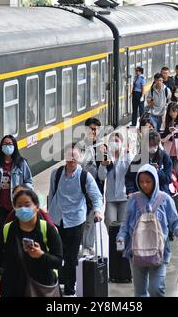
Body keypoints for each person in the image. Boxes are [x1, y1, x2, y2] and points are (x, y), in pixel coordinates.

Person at [0, 189, 63, 297]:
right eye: (19, 205)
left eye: (27, 205)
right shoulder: (7, 229)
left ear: (36, 207)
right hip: (12, 289)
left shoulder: (47, 229)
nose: (23, 209)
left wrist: (41, 255)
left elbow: (58, 261)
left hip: (40, 288)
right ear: (15, 208)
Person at [117, 164, 178, 297]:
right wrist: (121, 237)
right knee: (140, 291)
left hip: (159, 252)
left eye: (148, 181)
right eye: (141, 182)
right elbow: (126, 223)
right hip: (136, 252)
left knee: (157, 288)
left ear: (155, 180)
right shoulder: (133, 200)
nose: (144, 185)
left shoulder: (165, 199)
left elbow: (175, 220)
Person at [48, 143, 103, 296]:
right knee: (59, 256)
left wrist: (97, 211)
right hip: (57, 220)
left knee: (71, 258)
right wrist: (48, 217)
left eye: (75, 155)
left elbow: (96, 196)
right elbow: (52, 196)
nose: (71, 158)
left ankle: (70, 288)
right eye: (69, 155)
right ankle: (61, 282)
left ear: (79, 157)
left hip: (76, 221)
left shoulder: (85, 176)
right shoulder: (56, 174)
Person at [0, 135, 33, 247]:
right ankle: (1, 257)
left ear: (15, 146)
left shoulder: (21, 163)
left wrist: (25, 193)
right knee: (0, 233)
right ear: (1, 147)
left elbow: (28, 181)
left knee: (16, 232)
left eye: (10, 144)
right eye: (5, 144)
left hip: (16, 205)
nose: (7, 146)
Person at [80, 117, 105, 256]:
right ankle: (83, 244)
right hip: (81, 189)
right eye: (91, 129)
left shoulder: (102, 148)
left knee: (91, 219)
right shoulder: (80, 146)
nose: (93, 131)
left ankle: (88, 246)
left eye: (96, 129)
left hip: (96, 189)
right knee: (82, 218)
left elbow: (103, 176)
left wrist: (104, 165)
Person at [99, 132, 132, 228]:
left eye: (116, 141)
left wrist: (128, 155)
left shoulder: (126, 156)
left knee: (124, 224)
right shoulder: (107, 157)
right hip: (111, 197)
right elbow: (101, 177)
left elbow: (132, 172)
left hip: (124, 196)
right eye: (112, 141)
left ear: (122, 142)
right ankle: (113, 241)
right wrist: (103, 165)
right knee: (110, 222)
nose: (114, 143)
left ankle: (121, 242)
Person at [125, 131, 172, 196]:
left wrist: (158, 172)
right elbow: (129, 177)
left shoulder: (164, 157)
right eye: (150, 145)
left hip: (160, 195)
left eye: (154, 145)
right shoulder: (139, 158)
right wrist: (130, 191)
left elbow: (168, 179)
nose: (152, 147)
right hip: (142, 195)